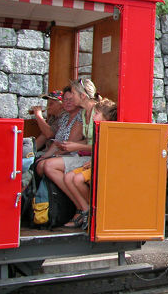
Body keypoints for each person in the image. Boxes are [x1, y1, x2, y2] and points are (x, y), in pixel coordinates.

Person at [42, 78, 100, 225]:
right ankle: (83, 209)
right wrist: (75, 145)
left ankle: (88, 211)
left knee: (50, 166)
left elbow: (103, 144)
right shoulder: (83, 114)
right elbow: (89, 141)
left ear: (83, 96)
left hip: (95, 157)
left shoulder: (98, 113)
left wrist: (76, 147)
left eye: (73, 93)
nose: (69, 97)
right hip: (87, 155)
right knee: (63, 174)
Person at [63, 98, 117, 228]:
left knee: (77, 179)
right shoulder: (99, 130)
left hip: (101, 165)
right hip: (94, 163)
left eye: (97, 113)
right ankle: (85, 208)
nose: (94, 115)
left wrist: (93, 163)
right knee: (68, 177)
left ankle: (94, 211)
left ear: (106, 117)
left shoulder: (109, 132)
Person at [34, 87, 83, 177]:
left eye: (71, 100)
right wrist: (45, 156)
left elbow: (68, 145)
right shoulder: (64, 117)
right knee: (38, 162)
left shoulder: (79, 116)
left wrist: (38, 116)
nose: (67, 103)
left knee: (43, 165)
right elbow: (57, 141)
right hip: (60, 152)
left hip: (74, 154)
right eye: (65, 100)